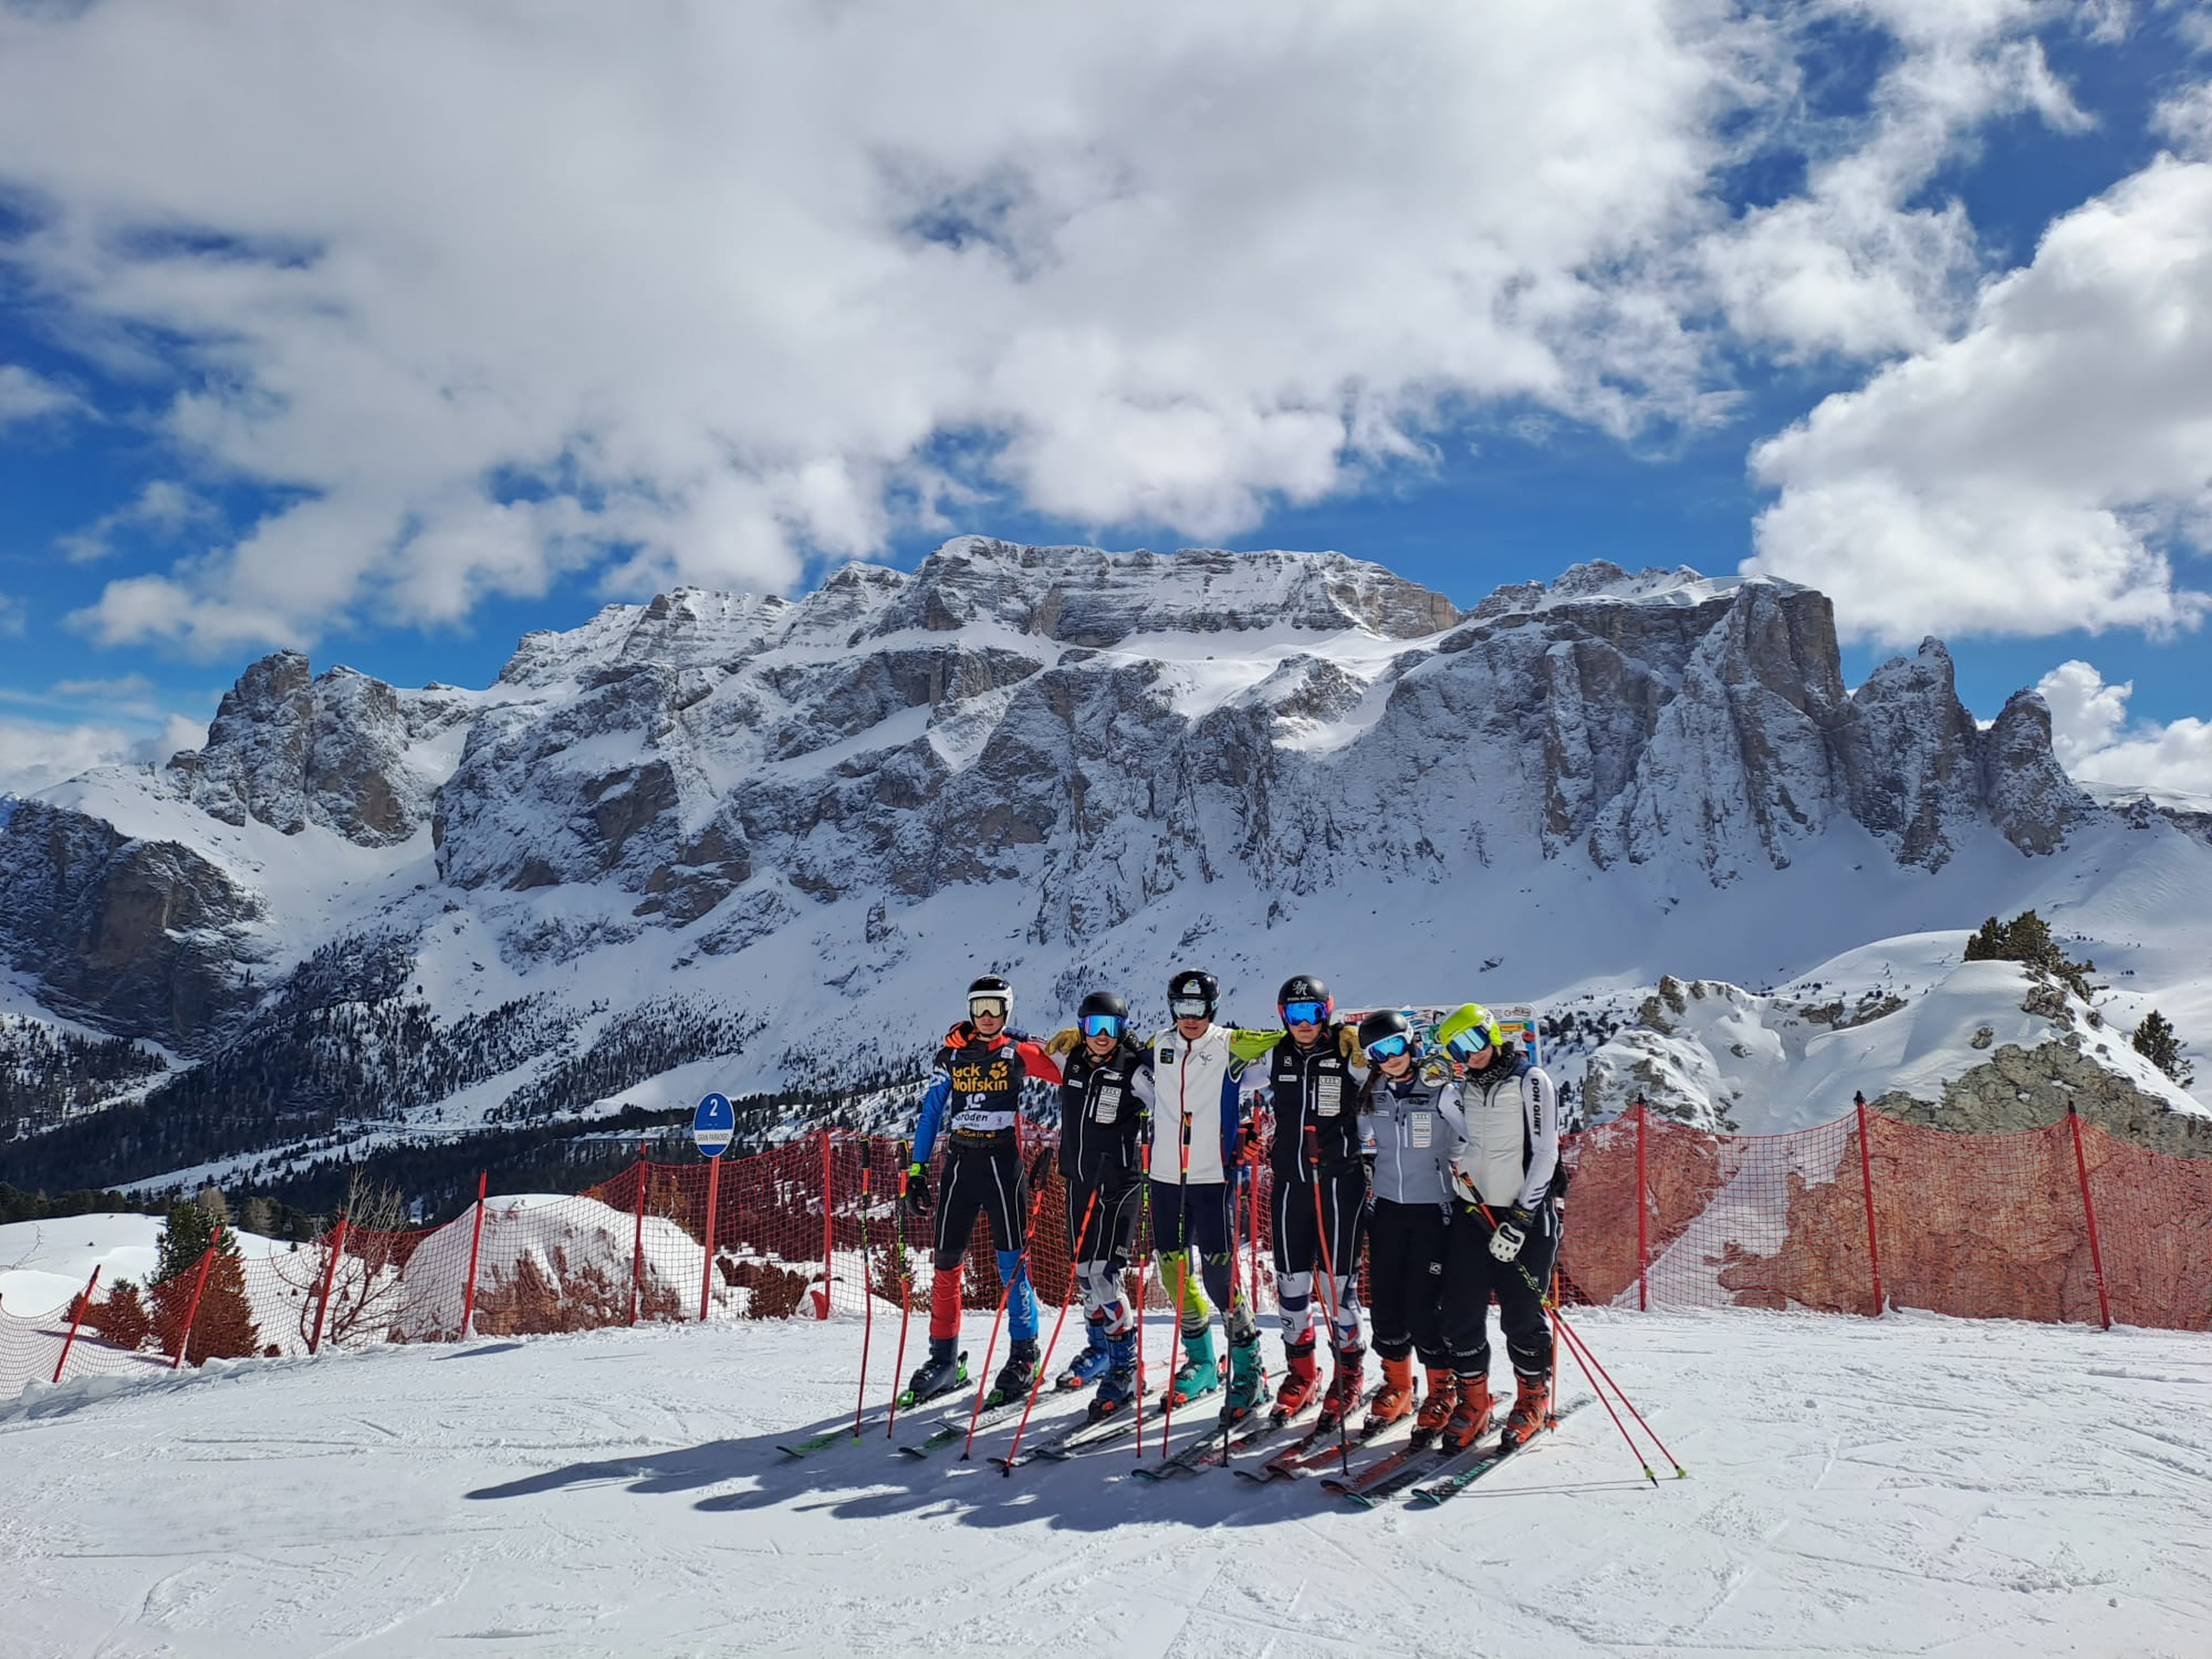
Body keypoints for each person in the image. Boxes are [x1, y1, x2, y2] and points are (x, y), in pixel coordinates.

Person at [902, 975, 1064, 1406]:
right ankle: (944, 1359)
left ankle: (1024, 1355)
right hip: (959, 1166)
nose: (987, 1015)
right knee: (945, 1266)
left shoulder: (1018, 1051)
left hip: (1001, 1166)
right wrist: (916, 1171)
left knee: (1011, 1266)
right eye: (979, 1007)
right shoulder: (953, 1054)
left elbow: (1072, 1074)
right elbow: (932, 1110)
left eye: (995, 1007)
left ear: (1007, 1011)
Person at [1128, 968, 1272, 1421]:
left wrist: (1337, 1036)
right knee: (1171, 1271)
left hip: (1213, 1178)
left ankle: (1250, 1366)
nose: (1190, 1017)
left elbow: (1292, 1042)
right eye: (1182, 1007)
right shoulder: (1159, 1044)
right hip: (1166, 1178)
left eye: (1199, 1008)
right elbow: (1119, 1053)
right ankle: (1204, 1362)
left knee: (1218, 1277)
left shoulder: (1232, 1043)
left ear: (1213, 1007)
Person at [1433, 1002, 1562, 1452]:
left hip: (1522, 1218)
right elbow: (1462, 1142)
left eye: (1472, 1041)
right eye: (1457, 1048)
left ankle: (1532, 1398)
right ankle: (1474, 1401)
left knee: (1522, 1315)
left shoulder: (1531, 1080)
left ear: (1490, 1033)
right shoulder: (1458, 1089)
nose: (1469, 1054)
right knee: (1459, 1312)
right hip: (1474, 1214)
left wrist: (1522, 1217)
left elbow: (1547, 1153)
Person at [1248, 973, 1368, 1427]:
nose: (1304, 1023)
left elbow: (1391, 1075)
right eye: (1295, 1015)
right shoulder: (1277, 1054)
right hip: (1290, 1182)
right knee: (1291, 1286)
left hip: (1339, 1182)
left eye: (1313, 1014)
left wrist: (1365, 1046)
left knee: (1338, 1289)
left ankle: (1350, 1373)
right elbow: (1229, 1081)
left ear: (1328, 1012)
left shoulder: (1344, 1050)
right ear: (1283, 1017)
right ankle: (1301, 1373)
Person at [1041, 990, 1148, 1420]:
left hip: (1119, 1182)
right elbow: (1033, 1052)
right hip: (1079, 1180)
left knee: (1105, 1275)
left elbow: (1174, 1098)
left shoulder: (1134, 1069)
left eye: (1110, 1028)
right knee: (1085, 1275)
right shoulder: (1072, 1062)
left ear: (1122, 1029)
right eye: (1092, 1027)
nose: (1101, 1036)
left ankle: (1127, 1368)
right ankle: (1101, 1350)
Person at [1353, 1007, 1457, 1441]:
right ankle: (1397, 1385)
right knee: (1386, 1304)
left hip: (1434, 1209)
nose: (1390, 1058)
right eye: (1378, 1052)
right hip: (1389, 1209)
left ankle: (1442, 1390)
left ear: (1411, 1042)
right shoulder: (1372, 1093)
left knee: (1424, 1305)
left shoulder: (1440, 1088)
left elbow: (1474, 1134)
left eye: (1395, 1046)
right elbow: (1356, 1137)